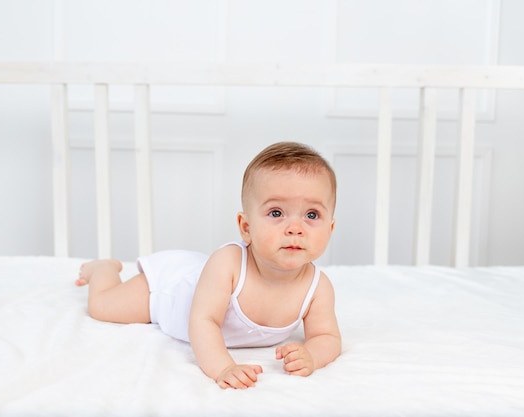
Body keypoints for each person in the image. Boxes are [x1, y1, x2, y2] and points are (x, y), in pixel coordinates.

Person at [75, 141, 341, 389]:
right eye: (276, 213)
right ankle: (103, 270)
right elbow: (204, 321)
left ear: (330, 229)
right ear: (246, 227)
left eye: (311, 215)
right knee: (102, 307)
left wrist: (312, 356)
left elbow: (326, 337)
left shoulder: (318, 287)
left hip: (194, 279)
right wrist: (223, 368)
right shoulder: (229, 264)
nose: (295, 228)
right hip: (170, 291)